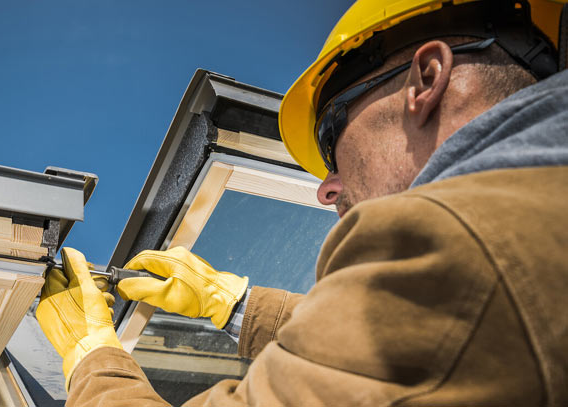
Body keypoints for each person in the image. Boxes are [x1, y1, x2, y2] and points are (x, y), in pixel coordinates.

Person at [36, 0, 568, 405]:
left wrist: (93, 357)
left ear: (426, 81)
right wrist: (233, 304)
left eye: (332, 134)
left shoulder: (456, 241)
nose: (326, 187)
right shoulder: (534, 212)